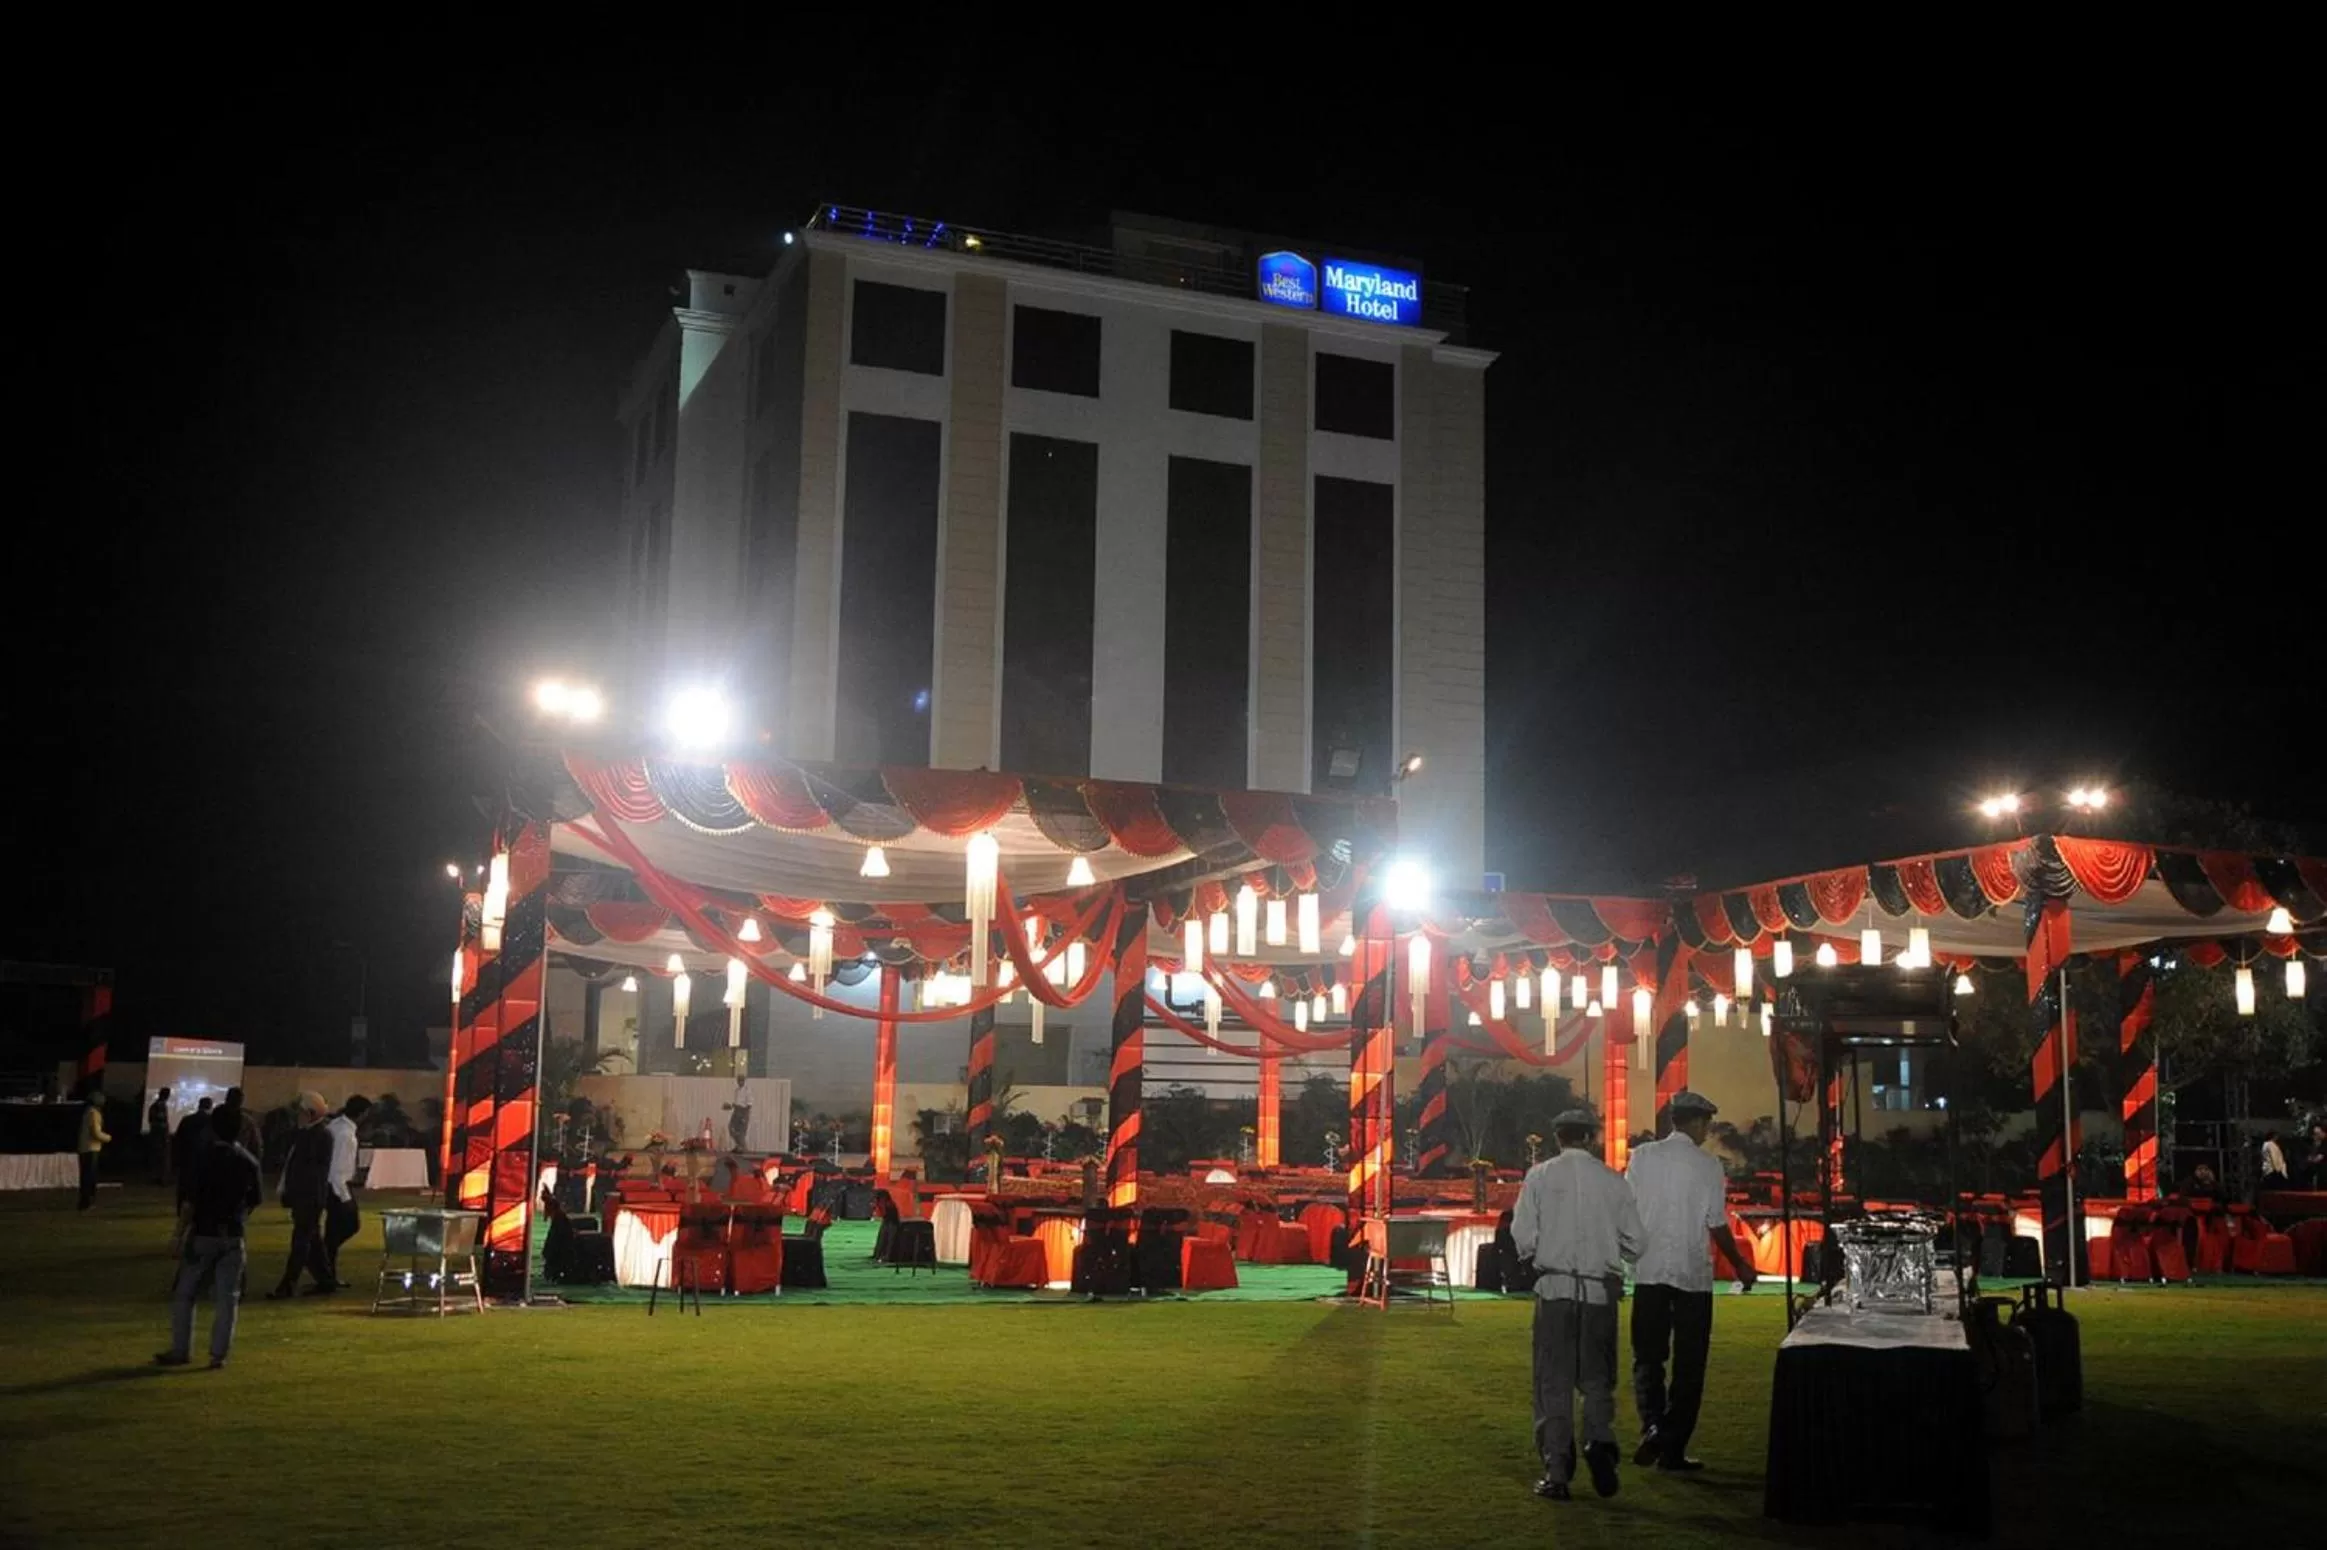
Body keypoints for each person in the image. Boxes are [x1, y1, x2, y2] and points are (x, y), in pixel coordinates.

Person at [1511, 1106, 1644, 1503]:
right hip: (1599, 1292)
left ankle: (1557, 1470)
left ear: (1558, 1138)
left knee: (1553, 1384)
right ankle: (1599, 1442)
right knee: (1597, 1381)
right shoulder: (1613, 1181)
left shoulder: (1539, 1176)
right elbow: (1637, 1242)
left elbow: (1522, 1235)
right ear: (1590, 1138)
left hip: (1555, 1291)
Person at [1625, 1091, 1758, 1474]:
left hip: (1649, 1273)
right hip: (1691, 1276)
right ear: (1697, 1123)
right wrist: (1739, 1265)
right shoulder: (1707, 1165)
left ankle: (1652, 1425)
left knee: (1648, 1357)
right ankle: (1672, 1446)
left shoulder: (1642, 1157)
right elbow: (1716, 1222)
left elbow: (1628, 1207)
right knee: (1690, 1365)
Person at [156, 1109, 262, 1370]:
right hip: (233, 1234)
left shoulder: (202, 1158)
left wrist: (178, 1235)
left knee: (185, 1294)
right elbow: (255, 1200)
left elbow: (190, 1202)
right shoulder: (249, 1161)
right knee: (228, 1298)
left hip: (204, 1233)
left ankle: (181, 1349)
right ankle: (219, 1354)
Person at [267, 1093, 336, 1298]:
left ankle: (288, 1284)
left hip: (309, 1197)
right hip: (306, 1196)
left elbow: (308, 1170)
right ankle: (326, 1280)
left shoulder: (319, 1135)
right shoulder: (308, 1134)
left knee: (301, 1241)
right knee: (311, 1240)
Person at [322, 1095, 372, 1286]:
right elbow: (338, 1168)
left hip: (331, 1184)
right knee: (349, 1224)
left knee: (333, 1231)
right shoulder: (346, 1135)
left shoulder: (335, 1126)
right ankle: (324, 1260)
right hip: (337, 1186)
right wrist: (344, 1196)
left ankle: (328, 1273)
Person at [169, 1097, 217, 1258]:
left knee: (185, 1197)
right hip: (203, 1166)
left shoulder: (187, 1120)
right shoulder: (211, 1122)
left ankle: (177, 1241)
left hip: (187, 1164)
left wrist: (177, 1161)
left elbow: (178, 1141)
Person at [77, 1086, 112, 1210]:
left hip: (84, 1147)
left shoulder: (87, 1112)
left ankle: (84, 1201)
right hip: (91, 1148)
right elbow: (96, 1132)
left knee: (85, 1176)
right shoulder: (94, 1113)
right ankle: (88, 1202)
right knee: (90, 1177)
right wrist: (108, 1138)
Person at [147, 1087, 173, 1186]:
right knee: (163, 1158)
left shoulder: (155, 1105)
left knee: (157, 1157)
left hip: (156, 1135)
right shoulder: (159, 1106)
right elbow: (160, 1120)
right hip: (160, 1136)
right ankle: (162, 1179)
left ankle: (158, 1177)